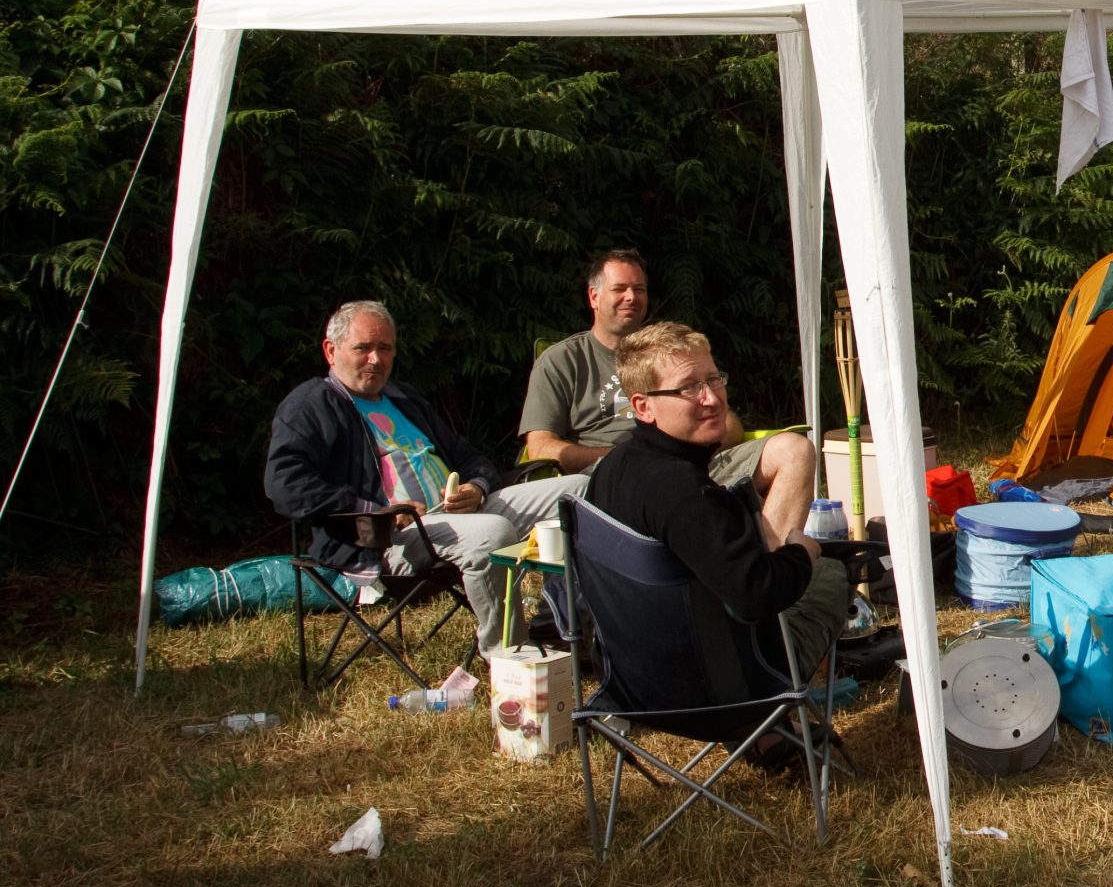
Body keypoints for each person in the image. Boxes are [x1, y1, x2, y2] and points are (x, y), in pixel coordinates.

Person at [267, 300, 584, 662]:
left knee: (578, 490)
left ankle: (560, 625)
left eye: (384, 348)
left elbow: (469, 457)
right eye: (363, 348)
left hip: (457, 513)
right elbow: (285, 485)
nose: (375, 359)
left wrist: (476, 487)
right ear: (331, 350)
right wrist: (376, 511)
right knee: (493, 532)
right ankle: (510, 657)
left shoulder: (403, 399)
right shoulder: (312, 405)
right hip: (386, 536)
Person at [582, 320, 850, 682]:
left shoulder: (611, 468)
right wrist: (801, 551)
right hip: (717, 685)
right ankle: (778, 712)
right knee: (829, 573)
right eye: (688, 388)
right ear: (643, 407)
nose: (711, 398)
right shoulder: (680, 491)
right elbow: (757, 596)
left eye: (713, 379)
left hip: (629, 678)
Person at [519, 249, 815, 543]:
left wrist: (697, 443)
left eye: (639, 289)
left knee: (795, 451)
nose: (631, 297)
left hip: (695, 463)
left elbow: (728, 423)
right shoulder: (563, 361)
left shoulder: (670, 353)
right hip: (617, 480)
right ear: (594, 297)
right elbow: (541, 447)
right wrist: (619, 458)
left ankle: (774, 560)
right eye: (620, 289)